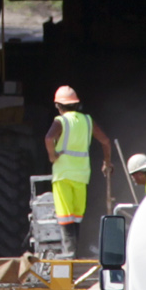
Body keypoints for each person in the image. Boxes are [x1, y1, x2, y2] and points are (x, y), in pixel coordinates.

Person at [45, 86, 116, 256]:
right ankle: (74, 253)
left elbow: (48, 138)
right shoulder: (88, 121)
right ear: (77, 105)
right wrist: (107, 162)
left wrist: (52, 156)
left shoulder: (60, 121)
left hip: (63, 174)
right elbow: (105, 141)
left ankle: (70, 253)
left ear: (58, 106)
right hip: (82, 175)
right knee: (76, 217)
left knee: (65, 216)